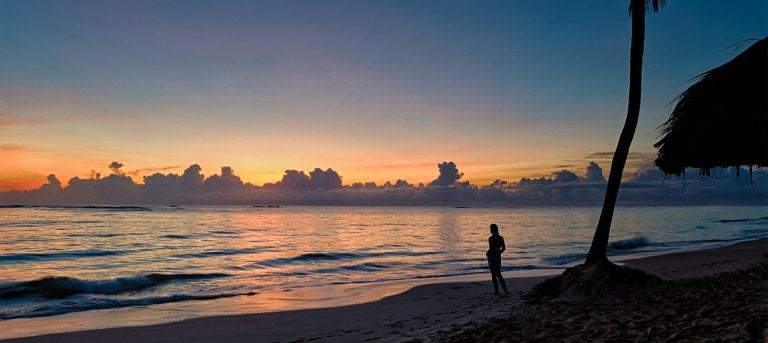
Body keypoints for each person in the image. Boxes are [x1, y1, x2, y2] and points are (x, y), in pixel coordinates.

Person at [486, 223, 509, 295]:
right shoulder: (501, 238)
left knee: (493, 275)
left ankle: (497, 291)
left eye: (491, 229)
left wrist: (489, 254)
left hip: (491, 257)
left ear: (492, 230)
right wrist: (499, 252)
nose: (490, 230)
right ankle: (505, 290)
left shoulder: (491, 238)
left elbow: (491, 248)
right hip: (498, 257)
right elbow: (504, 248)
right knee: (499, 274)